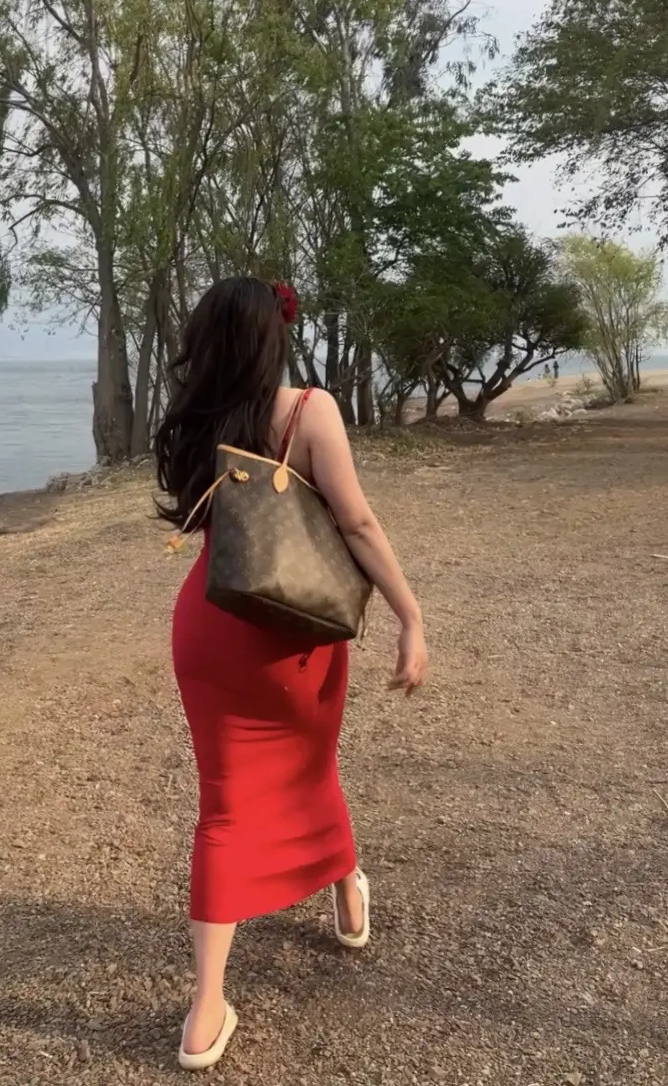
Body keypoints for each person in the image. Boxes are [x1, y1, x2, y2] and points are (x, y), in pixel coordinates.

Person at [156, 277, 428, 1071]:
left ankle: (205, 1014)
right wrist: (410, 616)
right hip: (291, 637)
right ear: (275, 337)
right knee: (312, 770)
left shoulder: (197, 416)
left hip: (209, 629)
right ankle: (347, 898)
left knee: (224, 809)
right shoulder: (309, 411)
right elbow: (357, 522)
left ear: (208, 342)